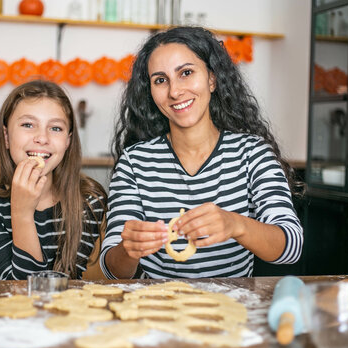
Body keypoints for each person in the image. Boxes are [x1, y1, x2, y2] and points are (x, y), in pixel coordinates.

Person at [100, 26, 304, 279]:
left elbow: (291, 246)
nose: (174, 91)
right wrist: (129, 249)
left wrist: (236, 224)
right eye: (160, 80)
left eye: (186, 73)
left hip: (232, 308)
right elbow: (112, 270)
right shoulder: (134, 163)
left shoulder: (253, 153)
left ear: (212, 78)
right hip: (155, 311)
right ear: (150, 92)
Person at [0, 80, 107, 280]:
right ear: (6, 137)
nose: (42, 138)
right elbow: (20, 290)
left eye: (55, 128)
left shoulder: (89, 201)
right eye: (28, 125)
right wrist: (22, 213)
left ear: (68, 141)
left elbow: (65, 283)